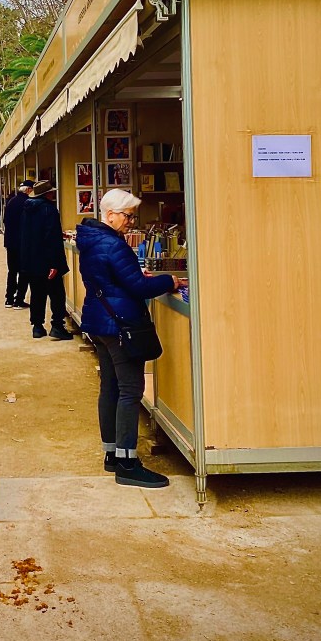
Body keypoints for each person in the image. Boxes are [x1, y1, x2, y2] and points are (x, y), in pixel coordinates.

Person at [76, 188, 184, 489]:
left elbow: (114, 280)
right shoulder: (115, 245)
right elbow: (137, 287)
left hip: (100, 321)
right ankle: (128, 463)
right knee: (130, 390)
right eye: (128, 216)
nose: (131, 222)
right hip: (120, 325)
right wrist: (169, 281)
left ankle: (112, 453)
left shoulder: (92, 240)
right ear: (110, 215)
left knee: (110, 387)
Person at [19, 180, 71, 340]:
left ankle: (37, 326)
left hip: (32, 259)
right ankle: (57, 325)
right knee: (57, 294)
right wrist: (54, 263)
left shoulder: (27, 209)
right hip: (48, 260)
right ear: (47, 194)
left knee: (37, 293)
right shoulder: (49, 210)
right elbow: (51, 238)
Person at [3, 180, 32, 308]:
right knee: (24, 271)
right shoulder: (28, 203)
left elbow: (5, 220)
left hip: (10, 242)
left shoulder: (11, 202)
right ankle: (19, 300)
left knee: (12, 271)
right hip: (23, 243)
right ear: (28, 190)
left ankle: (9, 298)